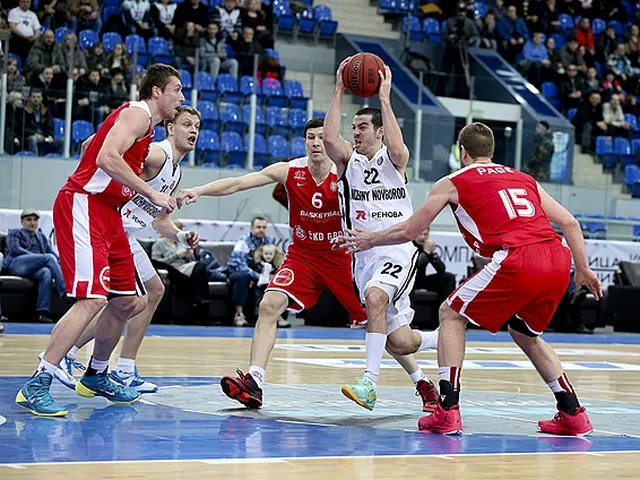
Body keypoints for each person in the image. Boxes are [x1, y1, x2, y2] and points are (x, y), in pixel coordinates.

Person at [335, 122, 601, 436]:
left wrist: (371, 240)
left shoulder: (452, 182)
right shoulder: (523, 178)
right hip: (558, 258)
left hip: (518, 256)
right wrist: (583, 269)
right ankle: (572, 412)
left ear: (462, 152)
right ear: (492, 151)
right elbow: (569, 222)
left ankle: (447, 410)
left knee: (450, 313)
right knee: (525, 333)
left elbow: (409, 231)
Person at [177, 118, 439, 411]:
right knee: (269, 305)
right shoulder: (290, 171)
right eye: (310, 138)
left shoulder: (348, 170)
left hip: (343, 258)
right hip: (303, 257)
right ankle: (255, 381)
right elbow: (240, 183)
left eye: (321, 138)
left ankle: (422, 381)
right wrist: (200, 190)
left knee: (389, 333)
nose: (316, 143)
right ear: (304, 142)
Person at [15, 63, 184, 417]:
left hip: (110, 212)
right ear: (157, 92)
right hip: (86, 204)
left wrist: (92, 166)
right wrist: (149, 193)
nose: (181, 98)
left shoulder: (145, 127)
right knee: (92, 300)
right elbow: (106, 157)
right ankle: (37, 383)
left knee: (128, 301)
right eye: (177, 90)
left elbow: (91, 145)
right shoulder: (138, 113)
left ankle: (96, 374)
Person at [44, 106, 201, 394]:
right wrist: (95, 147)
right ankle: (72, 353)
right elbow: (106, 148)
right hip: (110, 226)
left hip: (126, 234)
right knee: (123, 300)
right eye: (187, 124)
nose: (193, 131)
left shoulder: (175, 172)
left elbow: (159, 220)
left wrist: (180, 236)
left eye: (197, 127)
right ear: (170, 128)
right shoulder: (158, 153)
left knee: (150, 293)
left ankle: (123, 367)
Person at [323, 59, 440, 411]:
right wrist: (339, 88)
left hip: (396, 249)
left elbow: (400, 148)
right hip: (363, 256)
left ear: (379, 132)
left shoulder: (393, 160)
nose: (356, 133)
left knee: (376, 298)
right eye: (354, 127)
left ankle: (370, 385)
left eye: (362, 127)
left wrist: (385, 99)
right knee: (398, 341)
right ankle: (443, 340)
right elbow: (329, 138)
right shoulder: (348, 162)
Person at [3, 209, 66, 324]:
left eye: (35, 220)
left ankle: (42, 312)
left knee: (46, 272)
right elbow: (15, 250)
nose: (32, 223)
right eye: (28, 220)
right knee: (48, 258)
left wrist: (63, 262)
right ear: (22, 222)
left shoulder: (41, 236)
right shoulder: (15, 232)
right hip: (16, 265)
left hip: (35, 268)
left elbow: (51, 253)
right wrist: (38, 258)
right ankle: (65, 291)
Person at [226, 216, 273, 327]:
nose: (261, 230)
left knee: (274, 278)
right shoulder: (244, 241)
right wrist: (256, 276)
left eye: (264, 227)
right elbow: (239, 264)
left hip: (257, 272)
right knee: (244, 277)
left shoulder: (268, 241)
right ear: (252, 228)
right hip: (236, 271)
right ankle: (239, 315)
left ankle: (272, 316)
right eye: (258, 227)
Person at [412, 227, 456, 305]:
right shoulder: (409, 246)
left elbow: (441, 269)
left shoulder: (426, 247)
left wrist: (433, 254)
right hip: (410, 280)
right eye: (420, 234)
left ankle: (445, 307)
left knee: (448, 277)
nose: (422, 237)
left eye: (425, 234)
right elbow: (415, 265)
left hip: (420, 280)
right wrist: (426, 252)